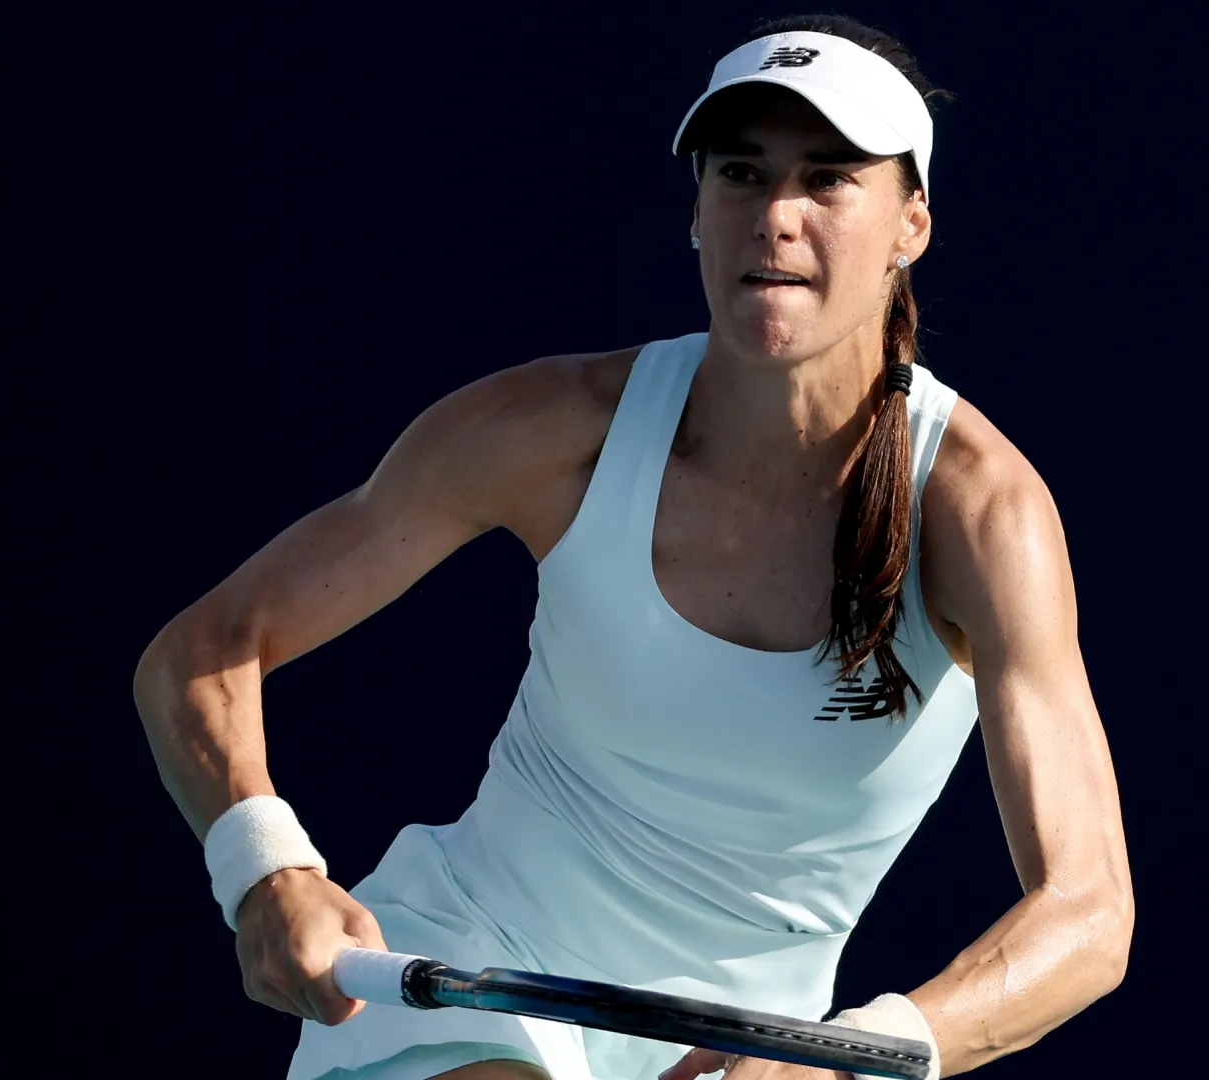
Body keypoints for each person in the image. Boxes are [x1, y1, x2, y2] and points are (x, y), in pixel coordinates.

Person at [134, 14, 1133, 1080]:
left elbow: (1088, 914)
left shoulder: (983, 516)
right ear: (698, 215)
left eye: (830, 179)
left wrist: (842, 1059)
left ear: (911, 224)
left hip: (738, 1057)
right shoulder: (548, 430)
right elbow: (205, 649)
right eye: (741, 175)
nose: (777, 218)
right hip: (467, 952)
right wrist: (265, 869)